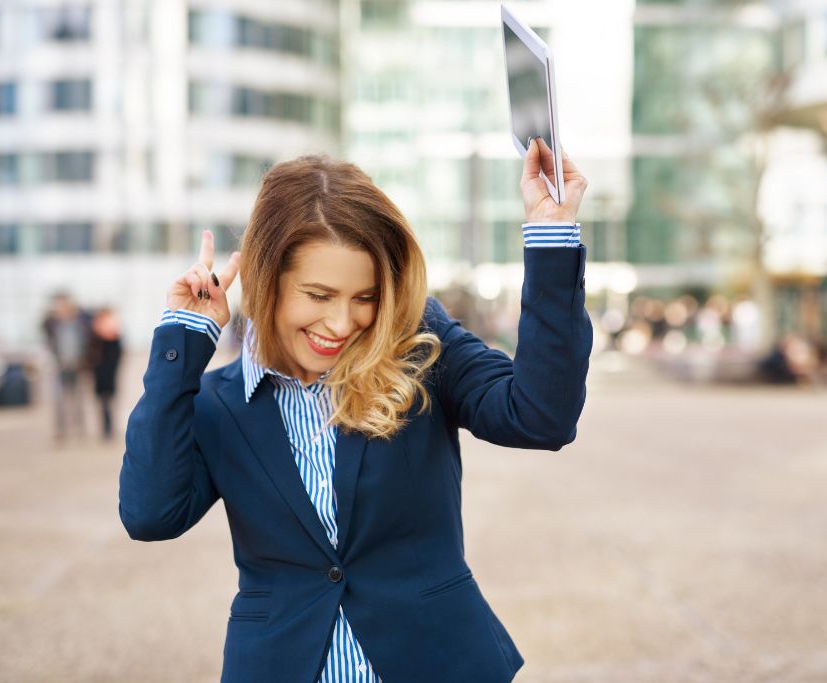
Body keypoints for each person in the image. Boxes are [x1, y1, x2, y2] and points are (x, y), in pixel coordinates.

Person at [118, 138, 591, 683]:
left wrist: (551, 234)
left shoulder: (421, 347)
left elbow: (541, 417)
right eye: (318, 295)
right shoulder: (213, 402)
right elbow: (150, 514)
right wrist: (183, 340)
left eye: (363, 297)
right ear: (267, 281)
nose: (341, 324)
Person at [42, 291, 92, 442]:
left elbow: (89, 319)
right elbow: (43, 325)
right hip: (61, 366)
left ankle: (80, 428)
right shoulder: (53, 324)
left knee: (78, 399)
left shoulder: (80, 323)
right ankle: (62, 430)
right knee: (59, 401)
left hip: (77, 365)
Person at [88, 306, 123, 440]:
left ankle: (108, 428)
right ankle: (107, 428)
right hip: (102, 371)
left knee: (107, 401)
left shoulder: (108, 333)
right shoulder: (97, 333)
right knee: (104, 401)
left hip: (107, 371)